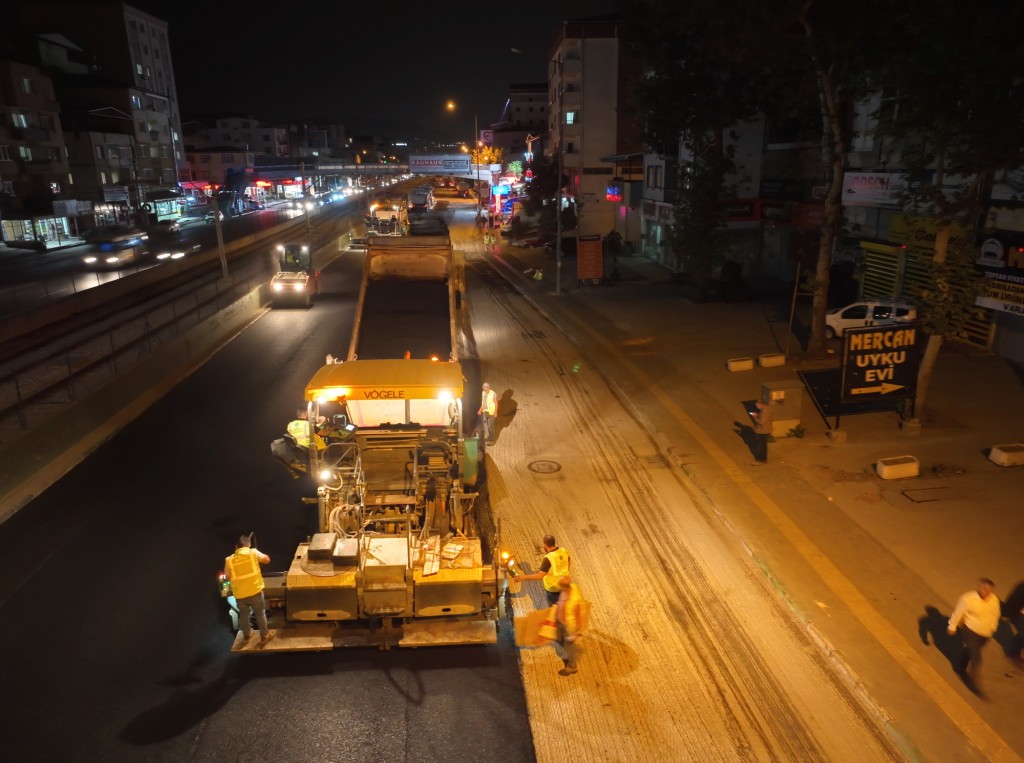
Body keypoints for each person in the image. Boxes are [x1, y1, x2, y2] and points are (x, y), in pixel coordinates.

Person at [947, 577, 1002, 684]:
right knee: (975, 653)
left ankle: (960, 666)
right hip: (970, 628)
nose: (987, 592)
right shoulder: (968, 599)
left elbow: (995, 614)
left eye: (989, 590)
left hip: (985, 632)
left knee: (970, 650)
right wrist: (952, 626)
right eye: (984, 589)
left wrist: (993, 628)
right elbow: (958, 613)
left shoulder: (994, 599)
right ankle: (975, 678)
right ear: (979, 587)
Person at [225, 535, 274, 647]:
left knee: (243, 615)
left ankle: (247, 635)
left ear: (236, 547)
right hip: (255, 590)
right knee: (260, 614)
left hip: (240, 594)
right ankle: (265, 636)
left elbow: (228, 577)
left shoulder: (229, 560)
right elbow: (267, 560)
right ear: (249, 545)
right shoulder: (253, 552)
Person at [517, 535, 571, 605]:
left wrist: (522, 577)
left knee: (554, 610)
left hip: (553, 589)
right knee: (564, 605)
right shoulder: (564, 550)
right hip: (565, 585)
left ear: (545, 545)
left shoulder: (548, 558)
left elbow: (540, 576)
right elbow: (568, 563)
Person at [554, 576, 585, 676]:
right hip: (561, 622)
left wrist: (575, 632)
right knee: (558, 637)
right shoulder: (570, 588)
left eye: (560, 586)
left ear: (565, 586)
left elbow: (578, 615)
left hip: (568, 626)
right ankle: (563, 641)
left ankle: (572, 666)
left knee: (569, 648)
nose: (559, 588)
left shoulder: (574, 599)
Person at [750, 400, 773, 465]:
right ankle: (763, 459)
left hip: (764, 431)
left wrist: (755, 417)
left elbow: (762, 422)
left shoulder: (765, 411)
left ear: (762, 404)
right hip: (764, 430)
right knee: (762, 445)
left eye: (758, 405)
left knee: (761, 446)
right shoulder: (765, 409)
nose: (757, 407)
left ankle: (762, 460)